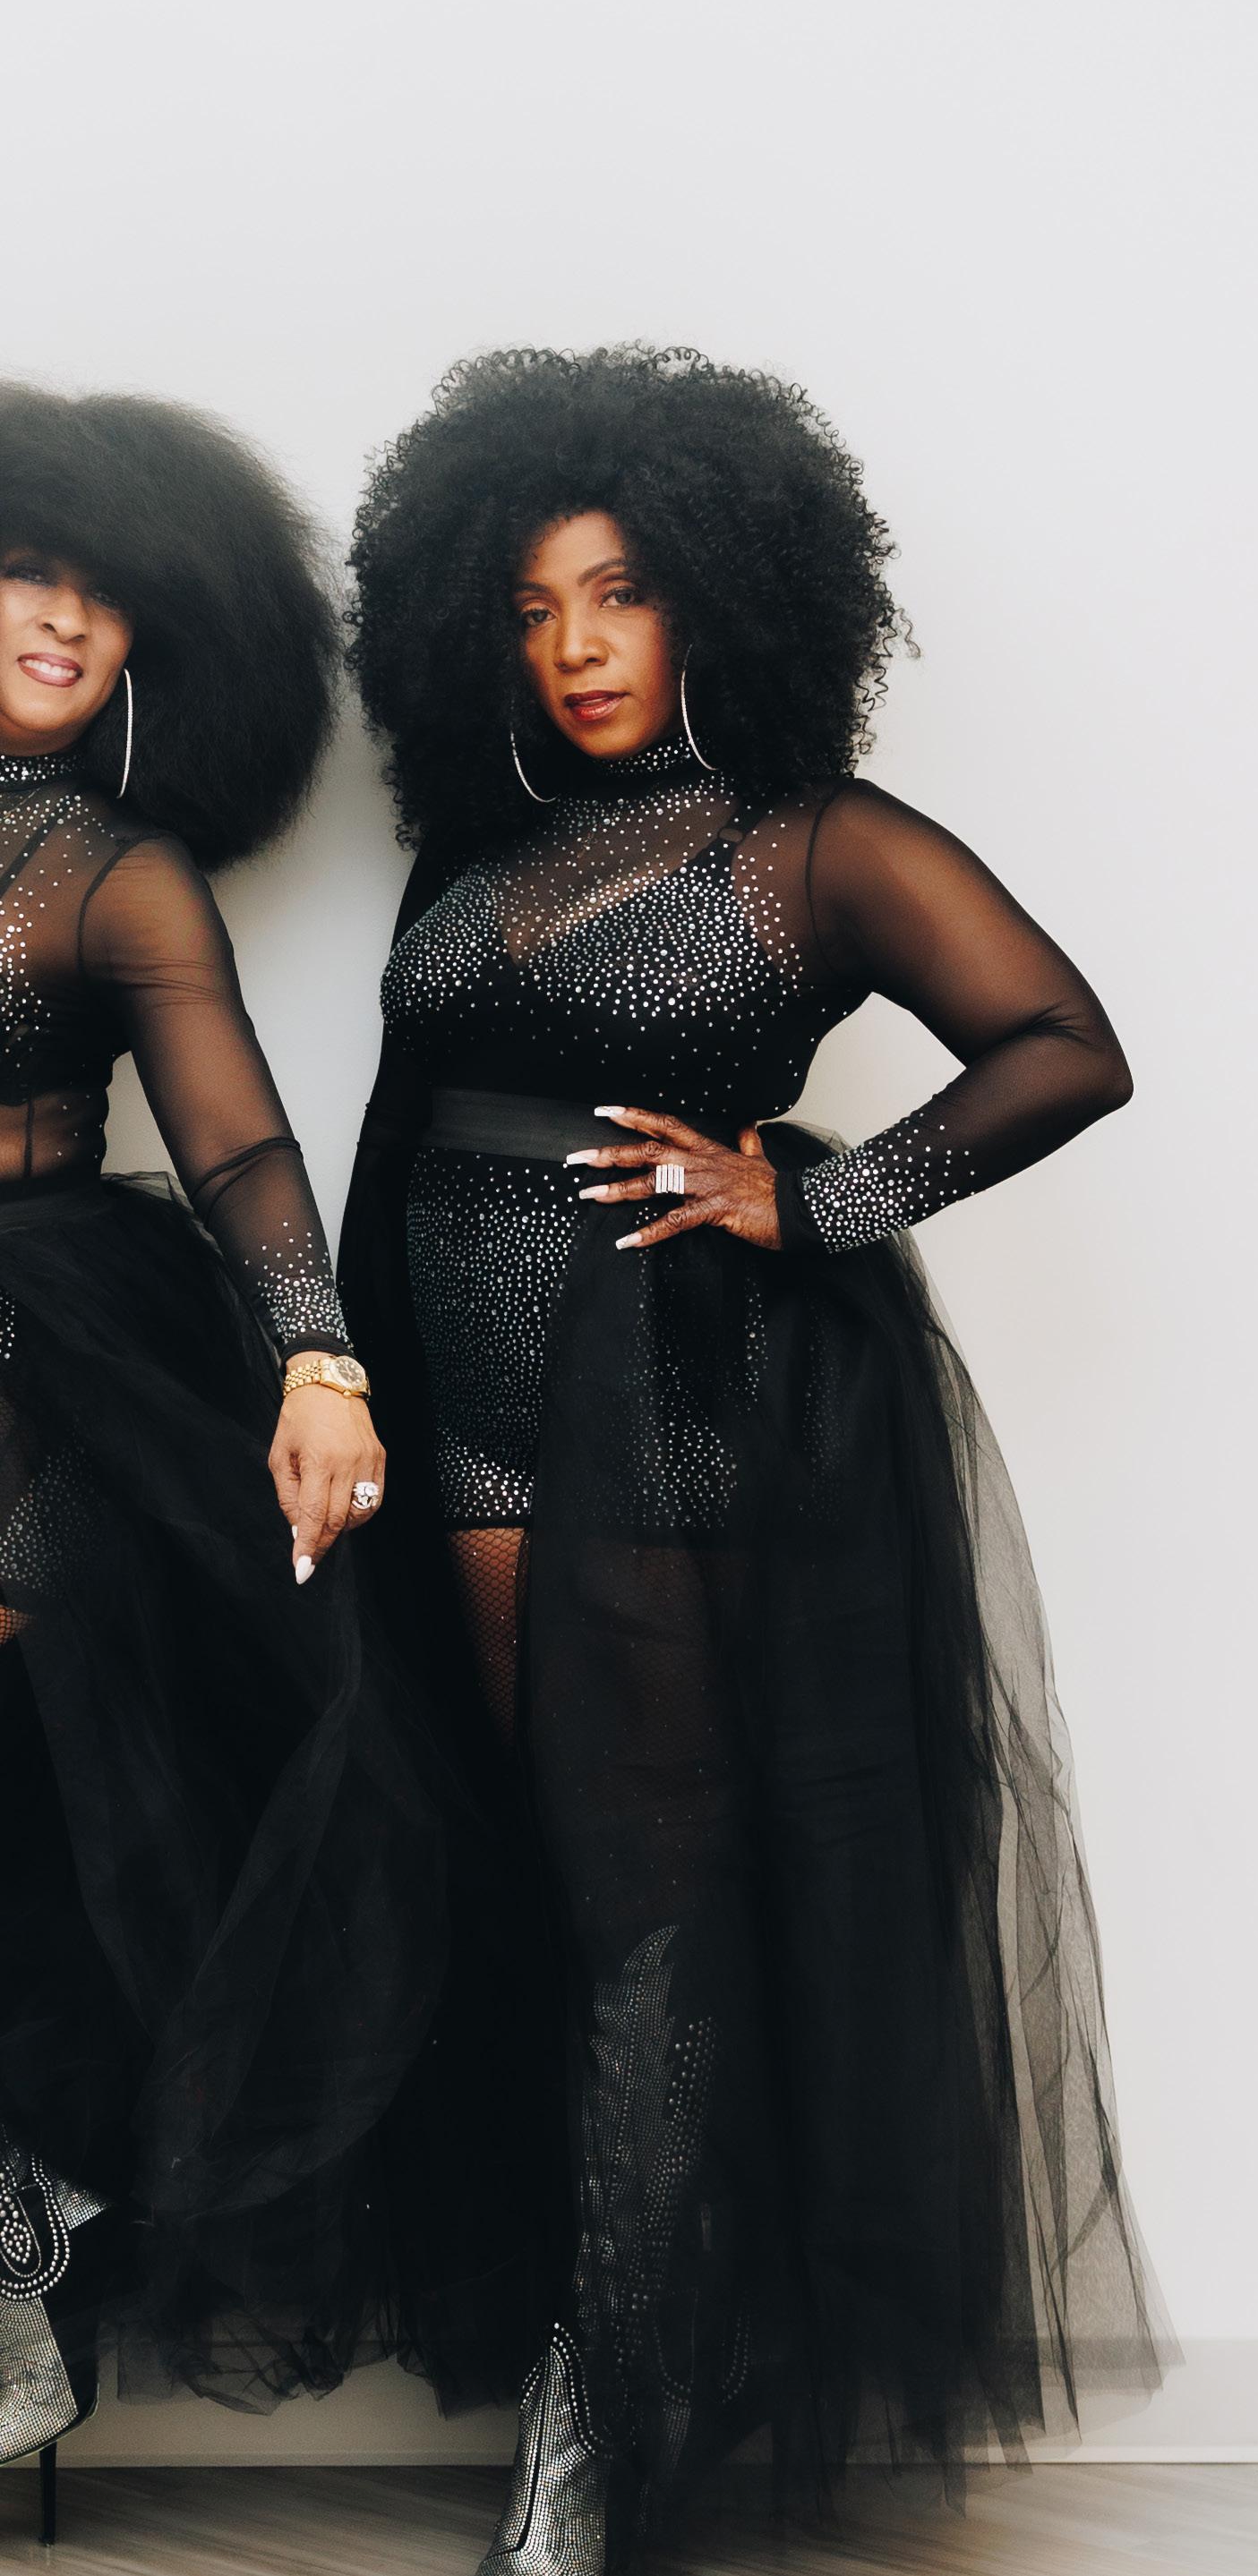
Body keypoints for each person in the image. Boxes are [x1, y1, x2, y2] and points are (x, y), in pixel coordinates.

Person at [342, 345, 1173, 2576]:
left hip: (670, 1416)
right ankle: (633, 2340)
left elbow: (1064, 1044)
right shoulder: (477, 840)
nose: (578, 644)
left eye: (619, 592)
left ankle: (610, 2398)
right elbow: (401, 1128)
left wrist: (815, 1204)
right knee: (551, 1885)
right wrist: (341, 1371)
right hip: (465, 1421)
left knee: (652, 1898)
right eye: (534, 606)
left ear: (720, 593)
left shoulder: (819, 843)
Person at [0, 381, 441, 2525]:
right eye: (25, 566)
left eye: (107, 596)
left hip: (40, 1350)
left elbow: (242, 1145)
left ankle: (16, 2248)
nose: (62, 617)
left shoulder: (112, 870)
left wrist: (318, 1362)